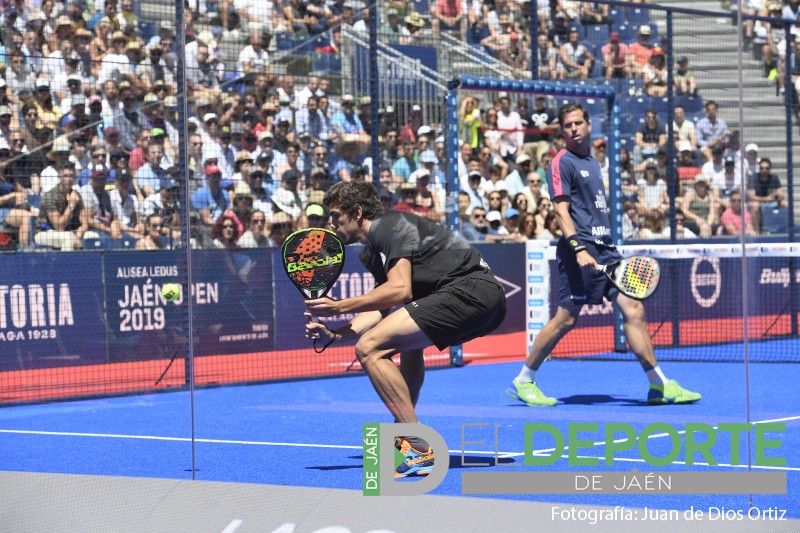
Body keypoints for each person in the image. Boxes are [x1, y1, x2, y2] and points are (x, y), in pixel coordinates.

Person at [304, 181, 507, 476]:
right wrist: (336, 334)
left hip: (471, 291)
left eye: (335, 215)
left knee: (369, 348)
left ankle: (416, 447)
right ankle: (405, 435)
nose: (330, 223)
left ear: (357, 212)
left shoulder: (389, 226)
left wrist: (339, 306)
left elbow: (399, 290)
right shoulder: (371, 251)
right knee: (407, 347)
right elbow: (379, 307)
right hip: (483, 300)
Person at [506, 103, 701, 407]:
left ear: (588, 125)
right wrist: (578, 248)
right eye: (568, 125)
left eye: (578, 123)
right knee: (565, 320)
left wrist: (602, 245)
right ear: (562, 130)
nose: (574, 128)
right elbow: (561, 211)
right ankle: (524, 380)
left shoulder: (594, 162)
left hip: (607, 251)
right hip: (579, 251)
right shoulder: (561, 163)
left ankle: (658, 385)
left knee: (633, 309)